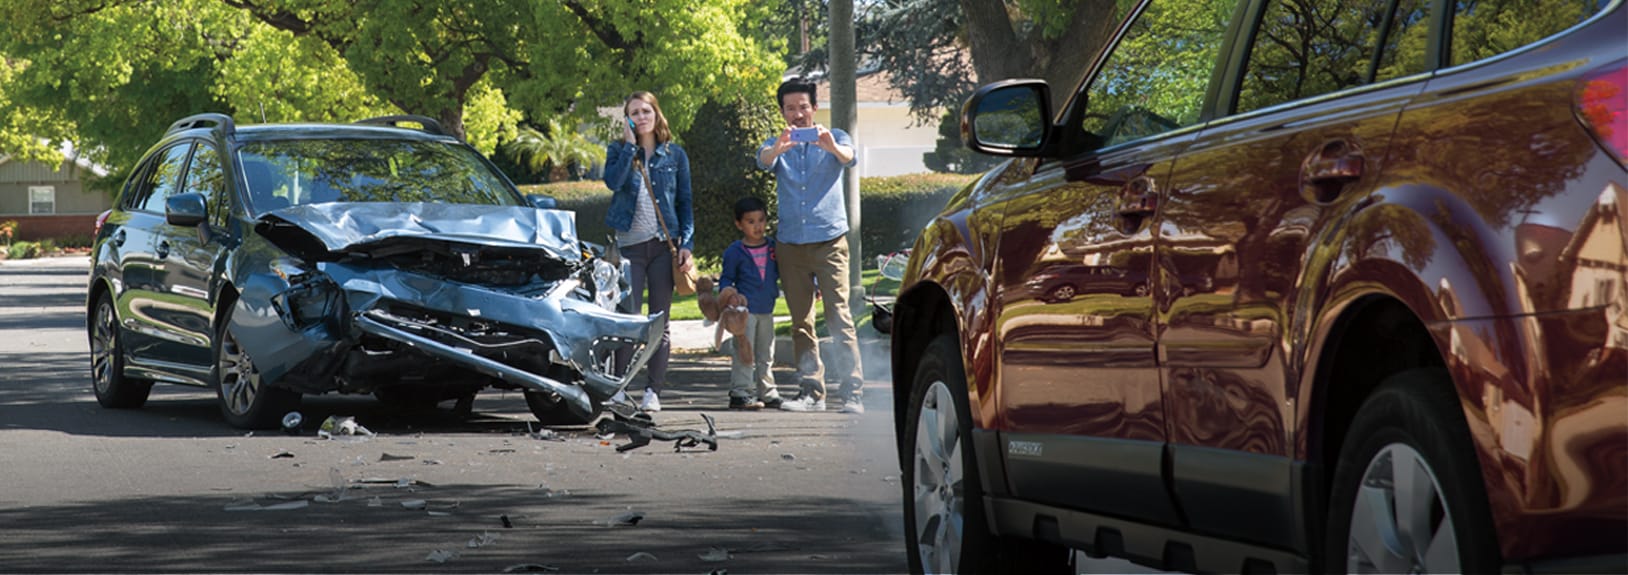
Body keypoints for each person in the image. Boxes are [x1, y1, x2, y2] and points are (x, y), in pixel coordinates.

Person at [755, 78, 865, 414]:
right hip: (791, 245)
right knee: (801, 321)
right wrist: (779, 149)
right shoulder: (778, 143)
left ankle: (852, 393)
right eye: (790, 108)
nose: (798, 114)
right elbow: (763, 160)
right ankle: (811, 392)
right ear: (782, 112)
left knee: (839, 316)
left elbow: (849, 158)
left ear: (815, 107)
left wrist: (830, 147)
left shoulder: (835, 137)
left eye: (803, 106)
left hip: (830, 241)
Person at [603, 91, 693, 413]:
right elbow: (613, 183)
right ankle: (618, 386)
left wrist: (687, 245)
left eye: (646, 111)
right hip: (629, 248)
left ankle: (653, 391)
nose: (641, 117)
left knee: (659, 321)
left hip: (662, 247)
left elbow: (685, 202)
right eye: (634, 113)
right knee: (628, 319)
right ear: (627, 119)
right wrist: (630, 147)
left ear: (656, 114)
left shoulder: (674, 155)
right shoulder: (618, 150)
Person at [716, 196, 785, 411]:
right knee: (744, 352)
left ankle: (768, 391)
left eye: (761, 220)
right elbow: (726, 279)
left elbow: (786, 271)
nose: (758, 226)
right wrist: (730, 295)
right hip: (745, 312)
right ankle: (741, 392)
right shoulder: (735, 251)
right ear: (739, 224)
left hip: (767, 308)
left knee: (766, 353)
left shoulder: (773, 247)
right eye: (751, 221)